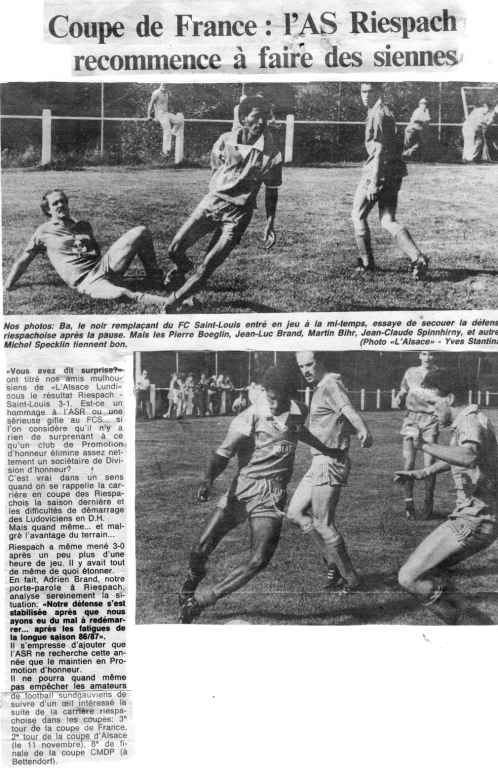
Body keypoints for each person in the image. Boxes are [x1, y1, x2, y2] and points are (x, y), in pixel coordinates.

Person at [178, 365, 346, 623]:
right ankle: (190, 584)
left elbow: (301, 432)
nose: (276, 402)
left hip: (272, 495)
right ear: (265, 392)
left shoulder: (298, 410)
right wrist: (208, 480)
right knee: (201, 548)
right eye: (271, 396)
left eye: (281, 397)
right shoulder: (252, 415)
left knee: (259, 559)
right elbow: (225, 452)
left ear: (290, 393)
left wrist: (328, 449)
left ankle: (200, 601)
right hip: (243, 489)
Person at [395, 368, 497, 624]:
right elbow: (465, 457)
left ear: (450, 399)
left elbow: (468, 456)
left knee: (409, 577)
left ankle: (471, 628)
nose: (430, 411)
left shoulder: (469, 421)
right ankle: (477, 627)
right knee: (432, 572)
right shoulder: (469, 419)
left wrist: (424, 446)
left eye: (432, 403)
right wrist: (424, 471)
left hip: (475, 520)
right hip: (478, 518)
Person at [162, 95, 282, 310]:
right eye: (256, 117)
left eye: (265, 117)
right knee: (174, 249)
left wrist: (270, 223)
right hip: (212, 203)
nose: (261, 122)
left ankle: (174, 303)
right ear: (244, 118)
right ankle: (183, 267)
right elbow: (216, 169)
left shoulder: (271, 153)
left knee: (207, 266)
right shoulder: (225, 140)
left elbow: (272, 191)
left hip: (237, 216)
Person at [287, 351, 373, 591]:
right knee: (294, 513)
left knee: (323, 523)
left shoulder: (330, 383)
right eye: (301, 366)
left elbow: (347, 408)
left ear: (321, 362)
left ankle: (351, 578)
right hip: (319, 460)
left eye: (310, 364)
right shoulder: (319, 387)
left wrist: (362, 429)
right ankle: (333, 564)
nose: (305, 370)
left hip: (331, 461)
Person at [5, 189, 167, 308]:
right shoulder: (43, 232)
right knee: (122, 293)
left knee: (141, 232)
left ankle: (155, 278)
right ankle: (167, 302)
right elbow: (24, 260)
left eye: (64, 201)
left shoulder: (83, 226)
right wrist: (7, 285)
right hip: (86, 281)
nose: (61, 205)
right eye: (55, 203)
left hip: (103, 267)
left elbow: (96, 253)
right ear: (48, 209)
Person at [351, 83, 429, 279]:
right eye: (363, 91)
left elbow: (378, 152)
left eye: (370, 91)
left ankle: (367, 263)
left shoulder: (378, 114)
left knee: (357, 215)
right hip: (394, 172)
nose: (365, 95)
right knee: (387, 220)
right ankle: (417, 258)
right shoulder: (387, 111)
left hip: (379, 171)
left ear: (379, 92)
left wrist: (374, 182)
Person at [394, 351, 439, 520]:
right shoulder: (410, 372)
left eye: (431, 354)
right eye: (424, 354)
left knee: (429, 465)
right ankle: (409, 505)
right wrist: (399, 396)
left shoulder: (438, 373)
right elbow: (403, 389)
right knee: (409, 463)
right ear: (420, 356)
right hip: (411, 420)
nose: (428, 358)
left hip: (430, 420)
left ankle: (428, 504)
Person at [147, 83, 184, 158]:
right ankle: (165, 151)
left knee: (180, 121)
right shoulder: (156, 93)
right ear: (160, 85)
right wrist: (149, 115)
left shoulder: (166, 93)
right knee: (167, 131)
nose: (165, 87)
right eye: (163, 85)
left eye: (166, 86)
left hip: (166, 113)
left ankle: (173, 132)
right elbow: (151, 104)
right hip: (160, 115)